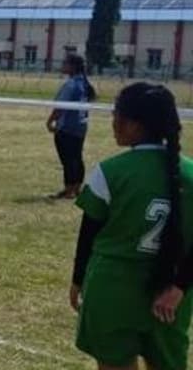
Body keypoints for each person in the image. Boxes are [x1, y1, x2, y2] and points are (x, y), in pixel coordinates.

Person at [71, 82, 193, 370]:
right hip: (171, 297)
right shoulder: (189, 173)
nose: (113, 123)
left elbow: (88, 235)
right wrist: (179, 288)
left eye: (116, 115)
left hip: (113, 288)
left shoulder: (110, 172)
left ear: (135, 125)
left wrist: (77, 279)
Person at [47, 53, 97, 200]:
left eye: (65, 63)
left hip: (67, 128)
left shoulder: (71, 84)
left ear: (72, 66)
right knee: (76, 157)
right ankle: (76, 188)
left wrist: (50, 121)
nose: (63, 65)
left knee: (68, 159)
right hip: (81, 127)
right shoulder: (85, 84)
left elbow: (60, 107)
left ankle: (69, 189)